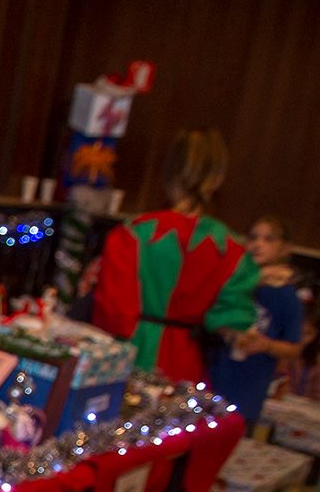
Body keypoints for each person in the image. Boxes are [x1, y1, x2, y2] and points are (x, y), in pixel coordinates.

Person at [91, 129, 258, 382]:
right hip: (185, 368)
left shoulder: (133, 234)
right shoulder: (233, 250)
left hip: (127, 359)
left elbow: (112, 313)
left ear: (168, 173)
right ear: (217, 179)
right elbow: (233, 321)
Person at [206, 216, 304, 424]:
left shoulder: (285, 294)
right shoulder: (231, 282)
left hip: (247, 390)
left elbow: (294, 347)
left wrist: (267, 345)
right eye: (253, 238)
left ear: (285, 248)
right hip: (210, 378)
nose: (258, 244)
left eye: (269, 239)